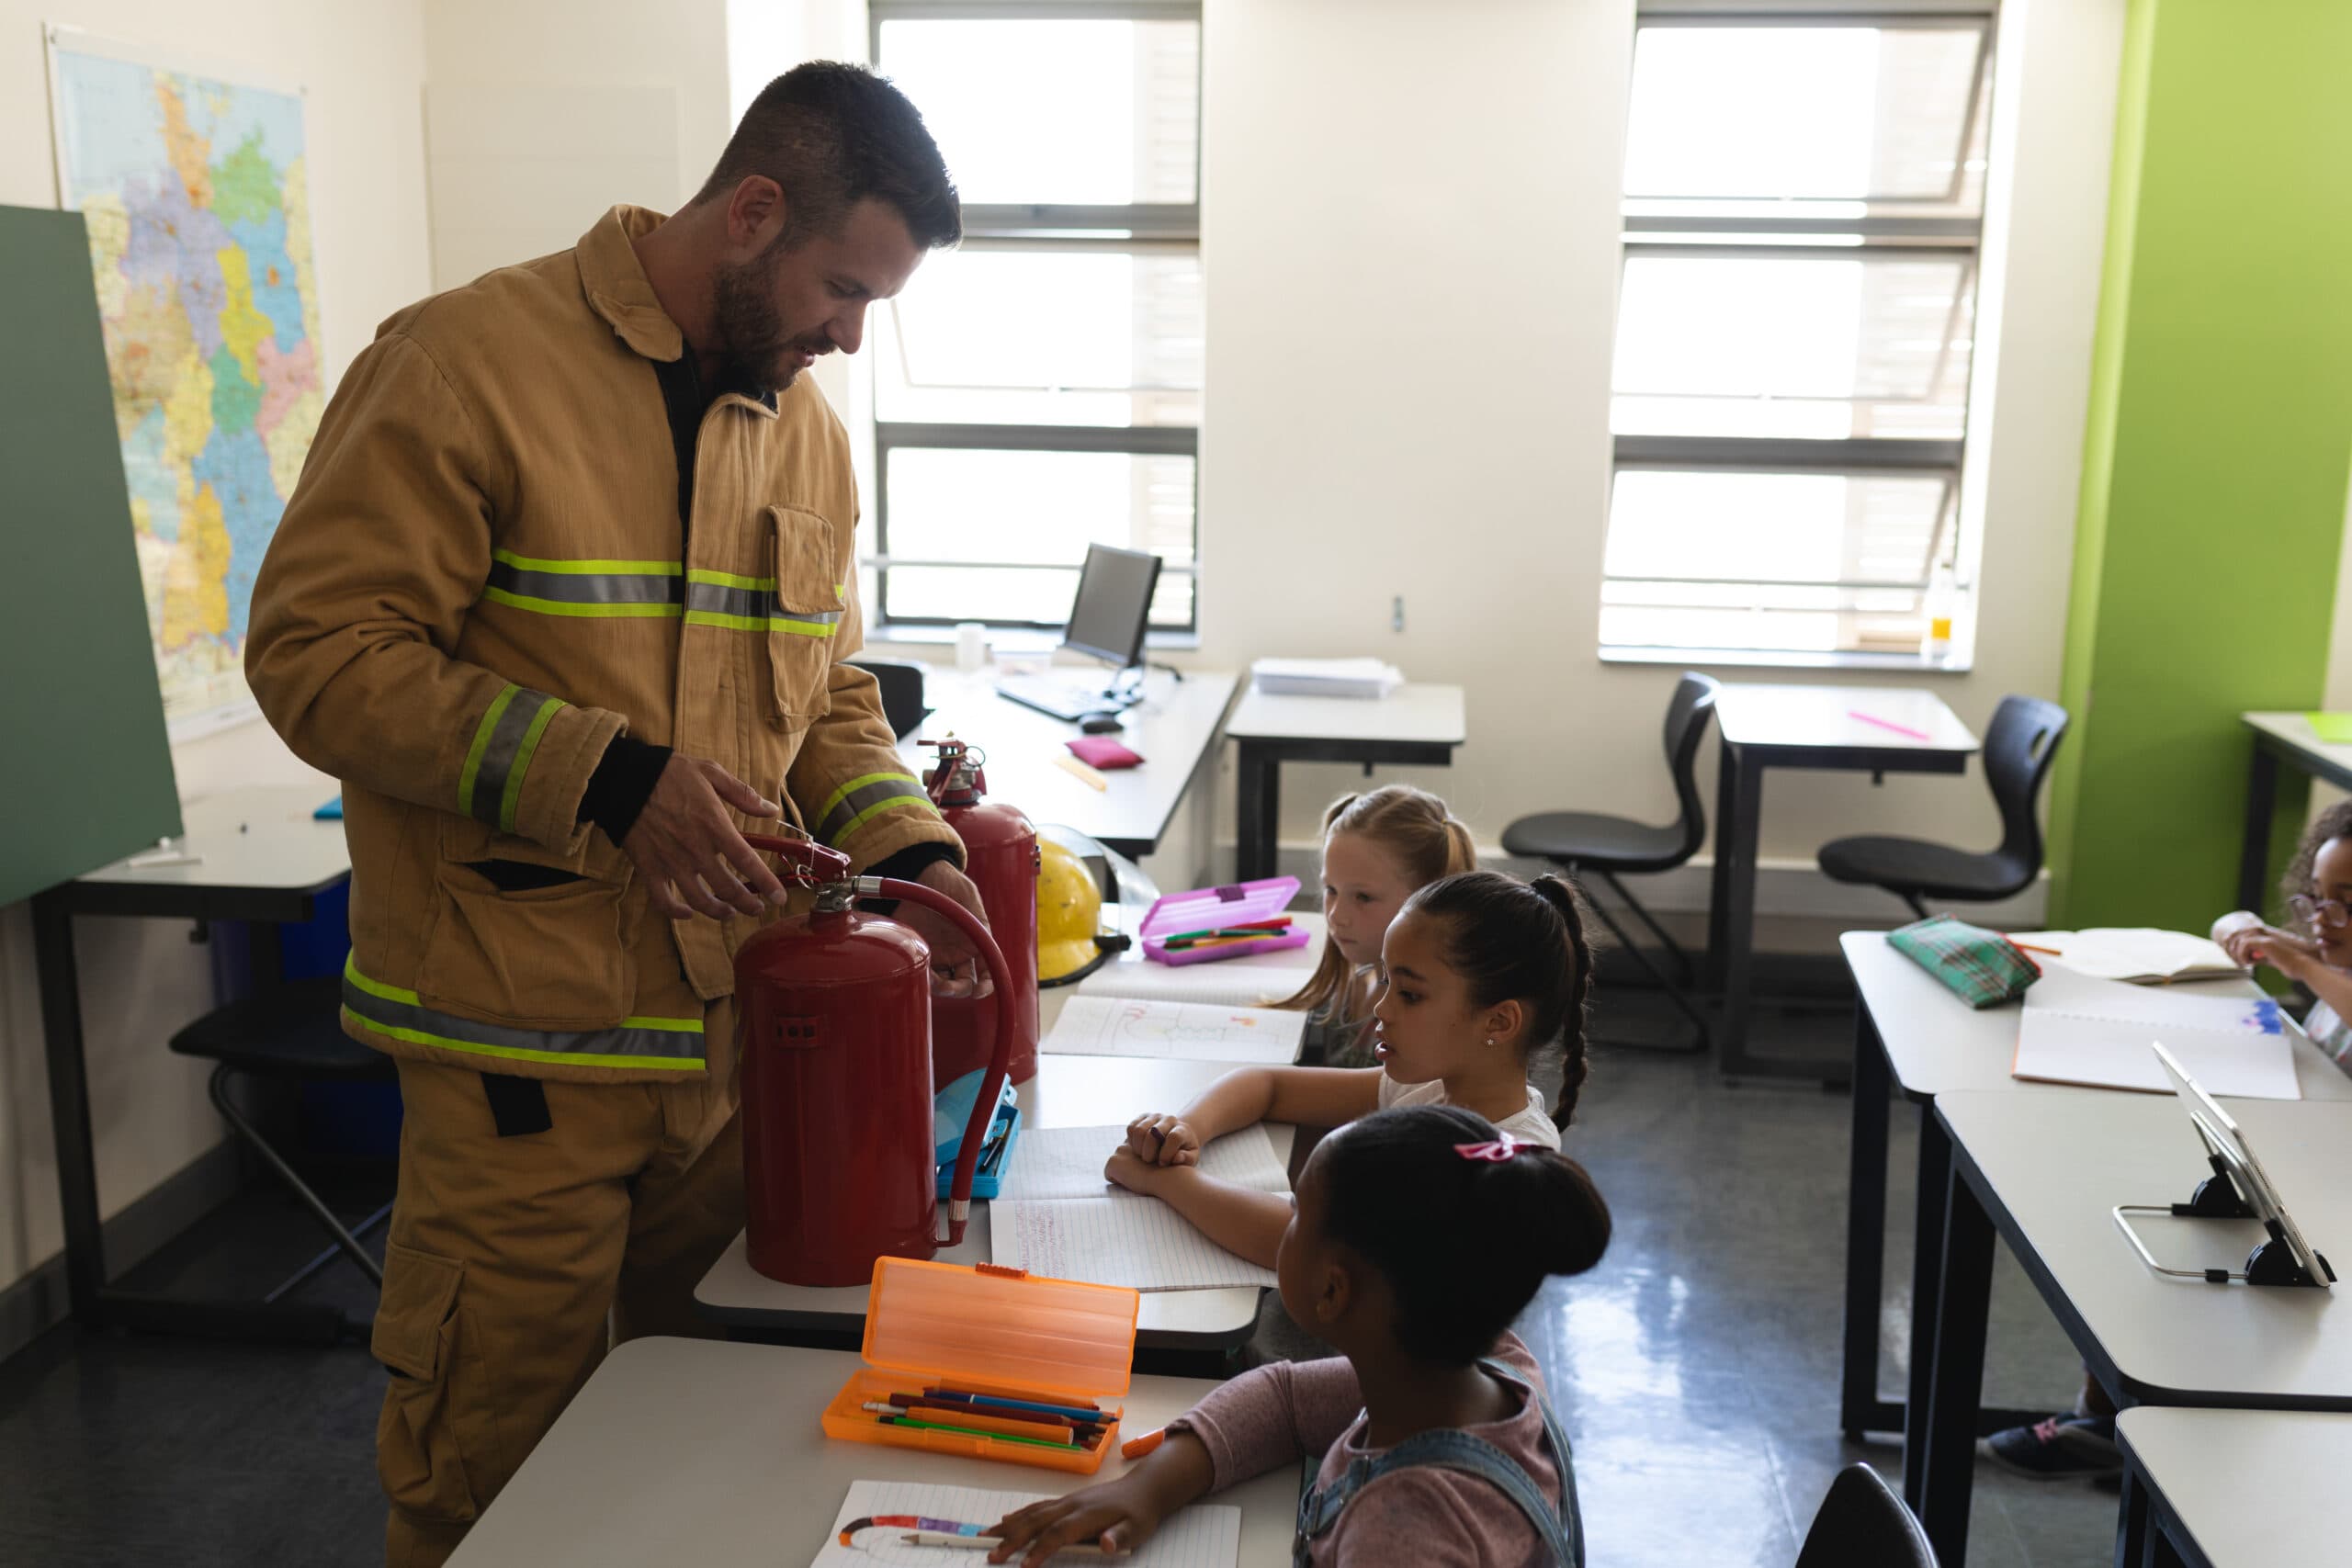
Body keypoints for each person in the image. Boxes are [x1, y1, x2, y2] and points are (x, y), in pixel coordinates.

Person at [245, 64, 982, 1566]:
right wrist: (607, 774)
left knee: (714, 1458)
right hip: (521, 1067)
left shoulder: (804, 430)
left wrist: (910, 844)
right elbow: (320, 655)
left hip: (731, 1073)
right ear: (752, 213)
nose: (849, 336)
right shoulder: (460, 367)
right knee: (492, 1488)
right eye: (842, 289)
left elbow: (827, 689)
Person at [989, 1106, 1611, 1568]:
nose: (1284, 1222)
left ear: (1333, 1292)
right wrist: (1148, 1488)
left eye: (1295, 1216)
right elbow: (1284, 1401)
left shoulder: (1403, 1534)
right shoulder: (1492, 1369)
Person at [1979, 803, 2352, 1481]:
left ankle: (2156, 1437)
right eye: (2315, 899)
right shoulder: (2335, 971)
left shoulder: (2333, 982)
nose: (2323, 920)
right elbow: (2237, 932)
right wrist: (2250, 929)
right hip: (2310, 1183)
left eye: (2347, 903)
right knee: (2159, 1243)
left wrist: (2302, 964)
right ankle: (2104, 1416)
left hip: (2337, 1216)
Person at [1110, 870, 1597, 1269]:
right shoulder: (1431, 1091)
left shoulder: (1506, 1162)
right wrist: (1187, 1127)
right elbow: (1268, 1085)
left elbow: (1311, 1249)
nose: (1381, 1009)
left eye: (1409, 994)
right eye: (1385, 980)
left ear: (1498, 1021)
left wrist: (1167, 1182)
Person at [1275, 787, 1479, 1068]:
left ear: (1426, 897)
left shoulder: (1426, 1021)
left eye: (1363, 897)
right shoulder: (1360, 981)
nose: (1337, 916)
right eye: (1331, 889)